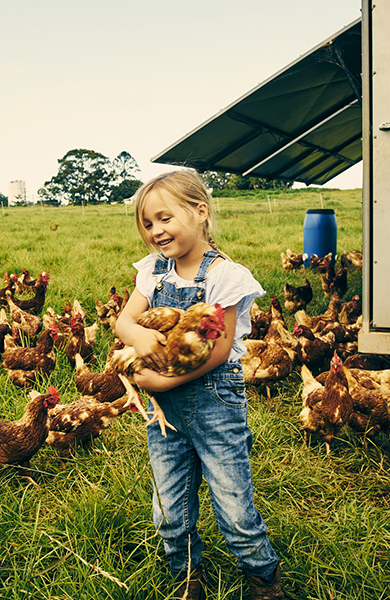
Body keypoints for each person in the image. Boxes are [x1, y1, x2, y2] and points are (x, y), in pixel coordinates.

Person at [114, 171, 285, 600]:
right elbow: (123, 321)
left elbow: (220, 350)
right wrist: (137, 337)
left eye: (165, 218)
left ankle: (263, 579)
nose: (156, 231)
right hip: (164, 417)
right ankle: (187, 577)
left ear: (200, 212)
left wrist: (163, 381)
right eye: (148, 224)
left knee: (233, 506)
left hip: (214, 404)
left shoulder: (225, 275)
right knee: (170, 508)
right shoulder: (153, 272)